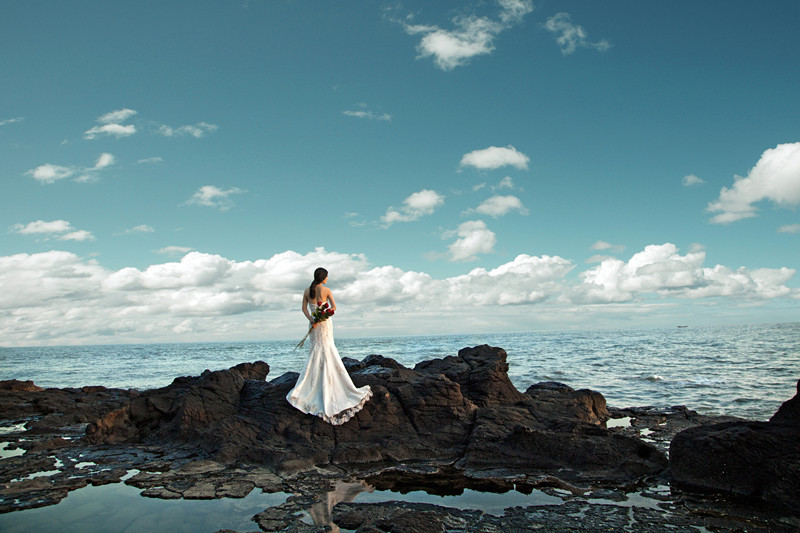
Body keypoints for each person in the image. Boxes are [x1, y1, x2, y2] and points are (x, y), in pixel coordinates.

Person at [286, 267, 372, 425]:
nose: (327, 279)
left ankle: (312, 381)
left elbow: (304, 309)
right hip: (324, 324)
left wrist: (312, 319)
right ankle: (329, 380)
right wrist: (323, 315)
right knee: (327, 349)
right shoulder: (326, 290)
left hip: (313, 324)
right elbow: (334, 307)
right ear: (323, 277)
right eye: (326, 276)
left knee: (315, 350)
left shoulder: (307, 290)